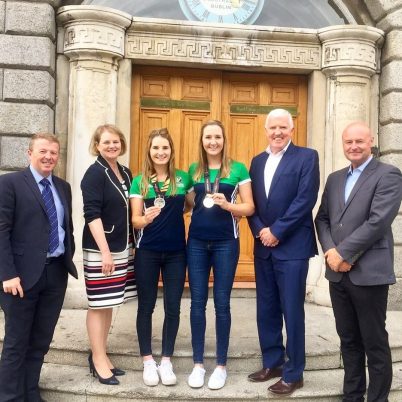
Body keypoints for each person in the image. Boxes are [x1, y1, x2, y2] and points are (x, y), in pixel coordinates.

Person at [315, 122, 402, 402]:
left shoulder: (388, 175)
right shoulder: (336, 177)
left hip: (369, 275)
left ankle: (378, 398)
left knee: (374, 342)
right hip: (337, 275)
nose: (353, 146)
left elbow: (378, 222)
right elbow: (323, 219)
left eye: (359, 142)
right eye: (348, 142)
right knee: (349, 340)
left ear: (371, 142)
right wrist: (331, 252)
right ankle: (352, 396)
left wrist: (344, 254)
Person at [0, 133, 78, 402]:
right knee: (16, 343)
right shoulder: (9, 183)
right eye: (43, 151)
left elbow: (64, 226)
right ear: (29, 152)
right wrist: (7, 273)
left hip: (55, 273)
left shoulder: (63, 186)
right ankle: (10, 397)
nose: (48, 157)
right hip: (20, 277)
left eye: (54, 153)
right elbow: (1, 230)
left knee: (40, 342)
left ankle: (30, 392)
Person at [247, 108, 319, 396]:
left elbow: (306, 199)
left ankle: (294, 372)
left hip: (292, 248)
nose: (277, 133)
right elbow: (250, 202)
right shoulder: (256, 161)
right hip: (263, 247)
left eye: (282, 128)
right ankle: (273, 362)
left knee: (292, 311)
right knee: (266, 310)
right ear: (265, 130)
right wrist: (260, 230)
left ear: (292, 129)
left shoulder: (306, 156)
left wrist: (276, 230)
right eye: (272, 128)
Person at [186, 120, 255, 390]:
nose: (212, 142)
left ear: (224, 140)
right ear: (202, 141)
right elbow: (190, 203)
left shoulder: (237, 168)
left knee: (222, 304)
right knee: (196, 303)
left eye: (217, 137)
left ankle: (221, 366)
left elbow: (249, 207)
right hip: (197, 243)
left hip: (227, 242)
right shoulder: (194, 170)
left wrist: (229, 205)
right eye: (208, 137)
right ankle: (198, 365)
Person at [130, 128, 192, 387]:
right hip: (148, 252)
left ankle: (166, 360)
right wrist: (145, 219)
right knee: (146, 306)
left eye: (165, 147)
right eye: (156, 147)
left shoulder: (182, 178)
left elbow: (189, 205)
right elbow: (134, 219)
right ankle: (148, 360)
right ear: (149, 151)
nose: (160, 152)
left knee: (173, 307)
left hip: (177, 252)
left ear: (171, 151)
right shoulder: (140, 181)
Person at [81, 124, 136, 385]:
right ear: (97, 145)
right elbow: (91, 215)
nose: (112, 146)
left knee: (110, 301)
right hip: (102, 248)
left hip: (122, 246)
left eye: (116, 142)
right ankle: (97, 358)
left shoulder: (125, 172)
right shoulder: (94, 174)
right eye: (106, 143)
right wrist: (105, 253)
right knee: (98, 303)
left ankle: (102, 354)